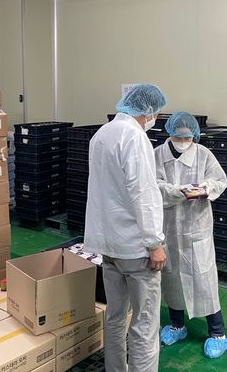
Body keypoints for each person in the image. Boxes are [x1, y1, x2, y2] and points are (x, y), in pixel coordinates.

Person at [84, 84, 168, 372]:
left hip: (108, 245)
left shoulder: (102, 134)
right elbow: (143, 192)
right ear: (148, 111)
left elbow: (103, 191)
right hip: (135, 248)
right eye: (156, 113)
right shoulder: (134, 137)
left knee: (115, 317)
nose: (155, 118)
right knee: (145, 323)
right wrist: (155, 243)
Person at [153, 112, 227, 359]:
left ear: (194, 136)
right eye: (179, 137)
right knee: (171, 278)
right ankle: (177, 325)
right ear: (170, 133)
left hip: (196, 229)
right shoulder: (157, 155)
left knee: (204, 279)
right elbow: (152, 185)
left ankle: (217, 333)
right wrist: (176, 191)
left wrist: (206, 187)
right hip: (168, 228)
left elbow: (219, 180)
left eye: (187, 138)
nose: (183, 142)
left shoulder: (203, 154)